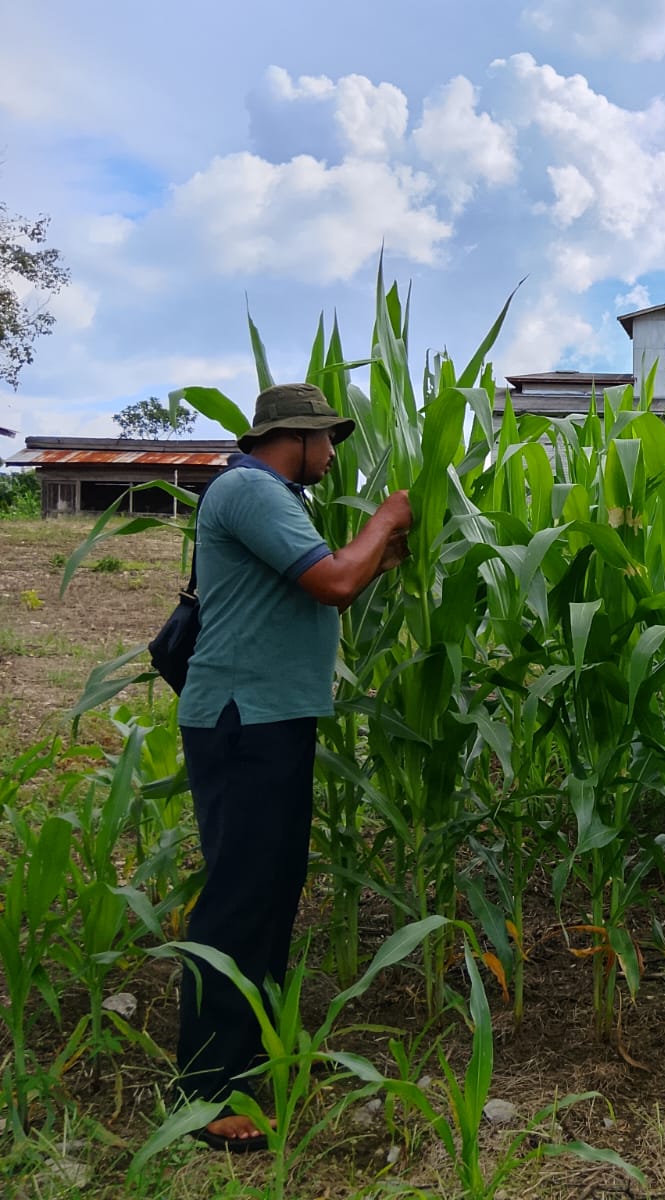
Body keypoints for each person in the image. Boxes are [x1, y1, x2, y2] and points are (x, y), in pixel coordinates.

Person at [174, 382, 412, 1151]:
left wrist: (377, 555)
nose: (334, 454)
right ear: (294, 438)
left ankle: (251, 1059)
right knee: (240, 901)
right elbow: (335, 580)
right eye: (327, 440)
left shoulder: (274, 498)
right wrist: (383, 522)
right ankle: (204, 1092)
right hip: (245, 721)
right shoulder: (249, 487)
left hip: (272, 721)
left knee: (272, 893)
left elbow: (324, 593)